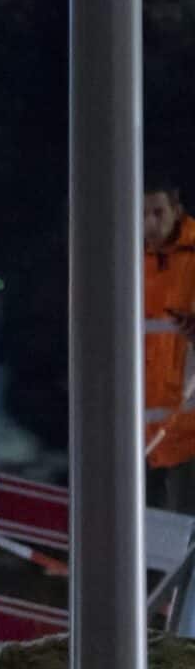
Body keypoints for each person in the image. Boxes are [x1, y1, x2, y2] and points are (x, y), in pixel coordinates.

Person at [145, 182, 195, 510]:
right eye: (143, 213)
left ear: (176, 209)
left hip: (188, 440)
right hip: (146, 442)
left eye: (158, 212)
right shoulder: (126, 262)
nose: (151, 223)